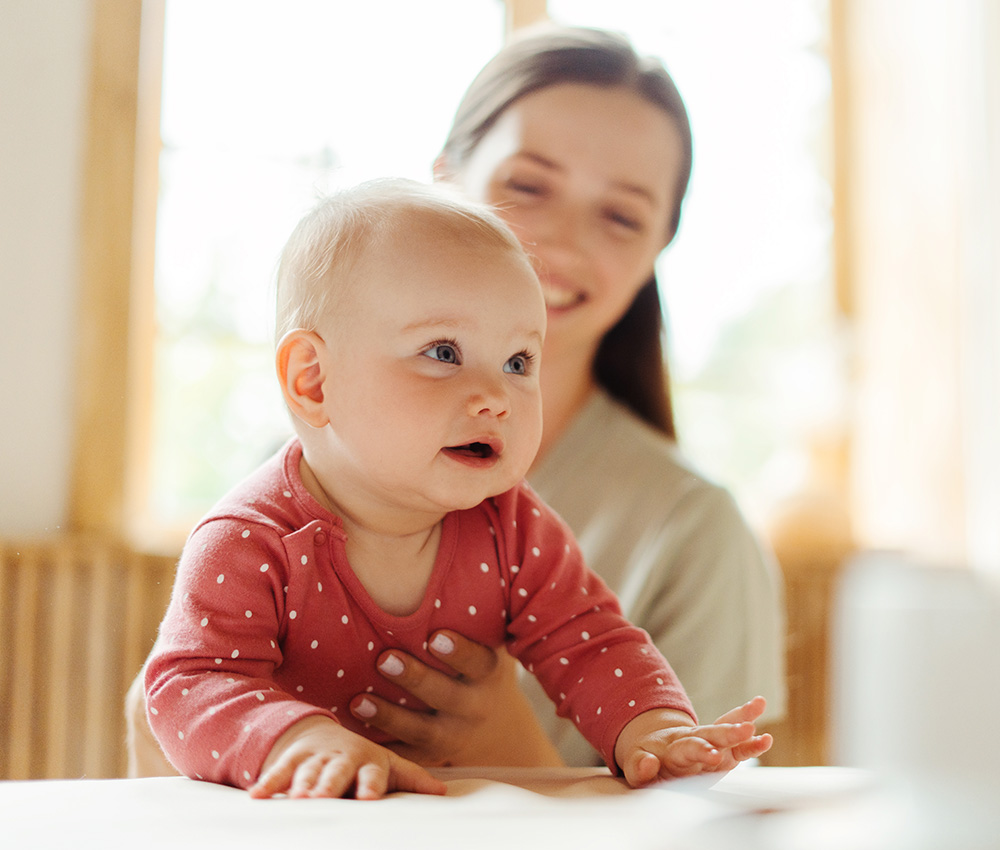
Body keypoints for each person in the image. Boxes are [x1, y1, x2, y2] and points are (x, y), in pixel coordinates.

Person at [125, 23, 785, 775]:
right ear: (313, 383)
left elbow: (591, 639)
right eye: (528, 186)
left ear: (661, 249)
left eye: (516, 361)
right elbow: (182, 692)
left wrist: (650, 728)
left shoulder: (525, 525)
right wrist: (286, 737)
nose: (556, 246)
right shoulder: (260, 521)